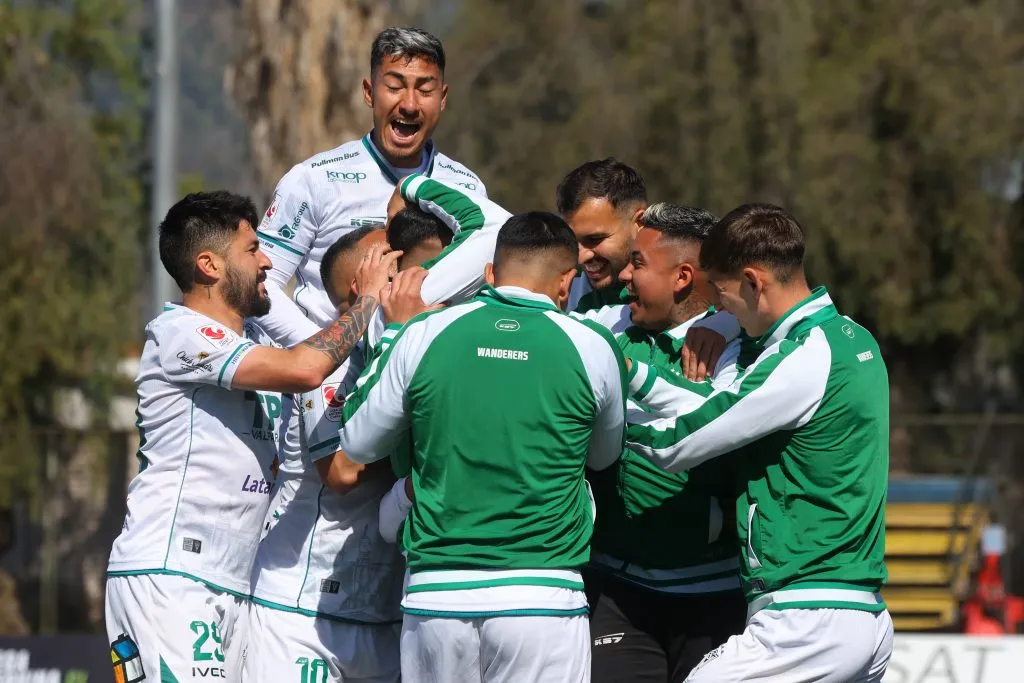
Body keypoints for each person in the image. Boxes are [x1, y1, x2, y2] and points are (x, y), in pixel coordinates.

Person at [105, 192, 398, 683]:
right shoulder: (181, 331)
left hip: (230, 583)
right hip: (168, 576)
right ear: (209, 265)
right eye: (252, 250)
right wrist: (367, 300)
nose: (267, 262)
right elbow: (308, 367)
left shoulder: (250, 350)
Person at [337, 213, 628, 683]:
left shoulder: (422, 334)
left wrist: (391, 334)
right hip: (542, 595)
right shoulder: (592, 345)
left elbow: (357, 441)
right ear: (566, 282)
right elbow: (603, 457)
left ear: (490, 274)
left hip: (437, 593)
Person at [623, 204, 893, 682]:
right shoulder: (853, 339)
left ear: (754, 281)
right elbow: (720, 407)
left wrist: (591, 415)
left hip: (808, 615)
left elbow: (680, 442)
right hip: (859, 612)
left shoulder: (803, 357)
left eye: (722, 297)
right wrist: (634, 376)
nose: (718, 312)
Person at [586, 203, 747, 682]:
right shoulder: (605, 328)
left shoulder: (740, 343)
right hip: (617, 588)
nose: (624, 277)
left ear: (682, 277)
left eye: (637, 264)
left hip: (714, 594)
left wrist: (726, 324)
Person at [255, 26, 489, 350]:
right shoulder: (314, 179)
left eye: (425, 89)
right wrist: (319, 351)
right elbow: (259, 281)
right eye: (394, 86)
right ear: (369, 92)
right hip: (331, 388)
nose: (409, 104)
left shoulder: (467, 187)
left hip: (430, 384)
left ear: (443, 98)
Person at [244, 226, 407, 683]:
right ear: (366, 281)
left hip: (384, 615)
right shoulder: (337, 364)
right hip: (300, 614)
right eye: (396, 255)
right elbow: (340, 471)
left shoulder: (408, 356)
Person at [556, 159, 735, 380]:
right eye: (573, 242)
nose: (581, 256)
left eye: (595, 239)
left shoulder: (723, 312)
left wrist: (727, 323)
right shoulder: (568, 294)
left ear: (639, 221)